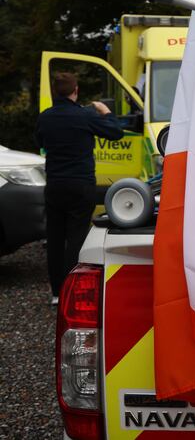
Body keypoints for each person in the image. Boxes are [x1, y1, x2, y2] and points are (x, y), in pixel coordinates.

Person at [35, 72, 123, 304]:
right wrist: (106, 112)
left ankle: (55, 293)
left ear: (55, 92)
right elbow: (116, 132)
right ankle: (70, 290)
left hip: (54, 184)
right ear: (76, 91)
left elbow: (41, 142)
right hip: (80, 184)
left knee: (54, 238)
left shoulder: (45, 117)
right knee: (76, 236)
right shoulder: (84, 116)